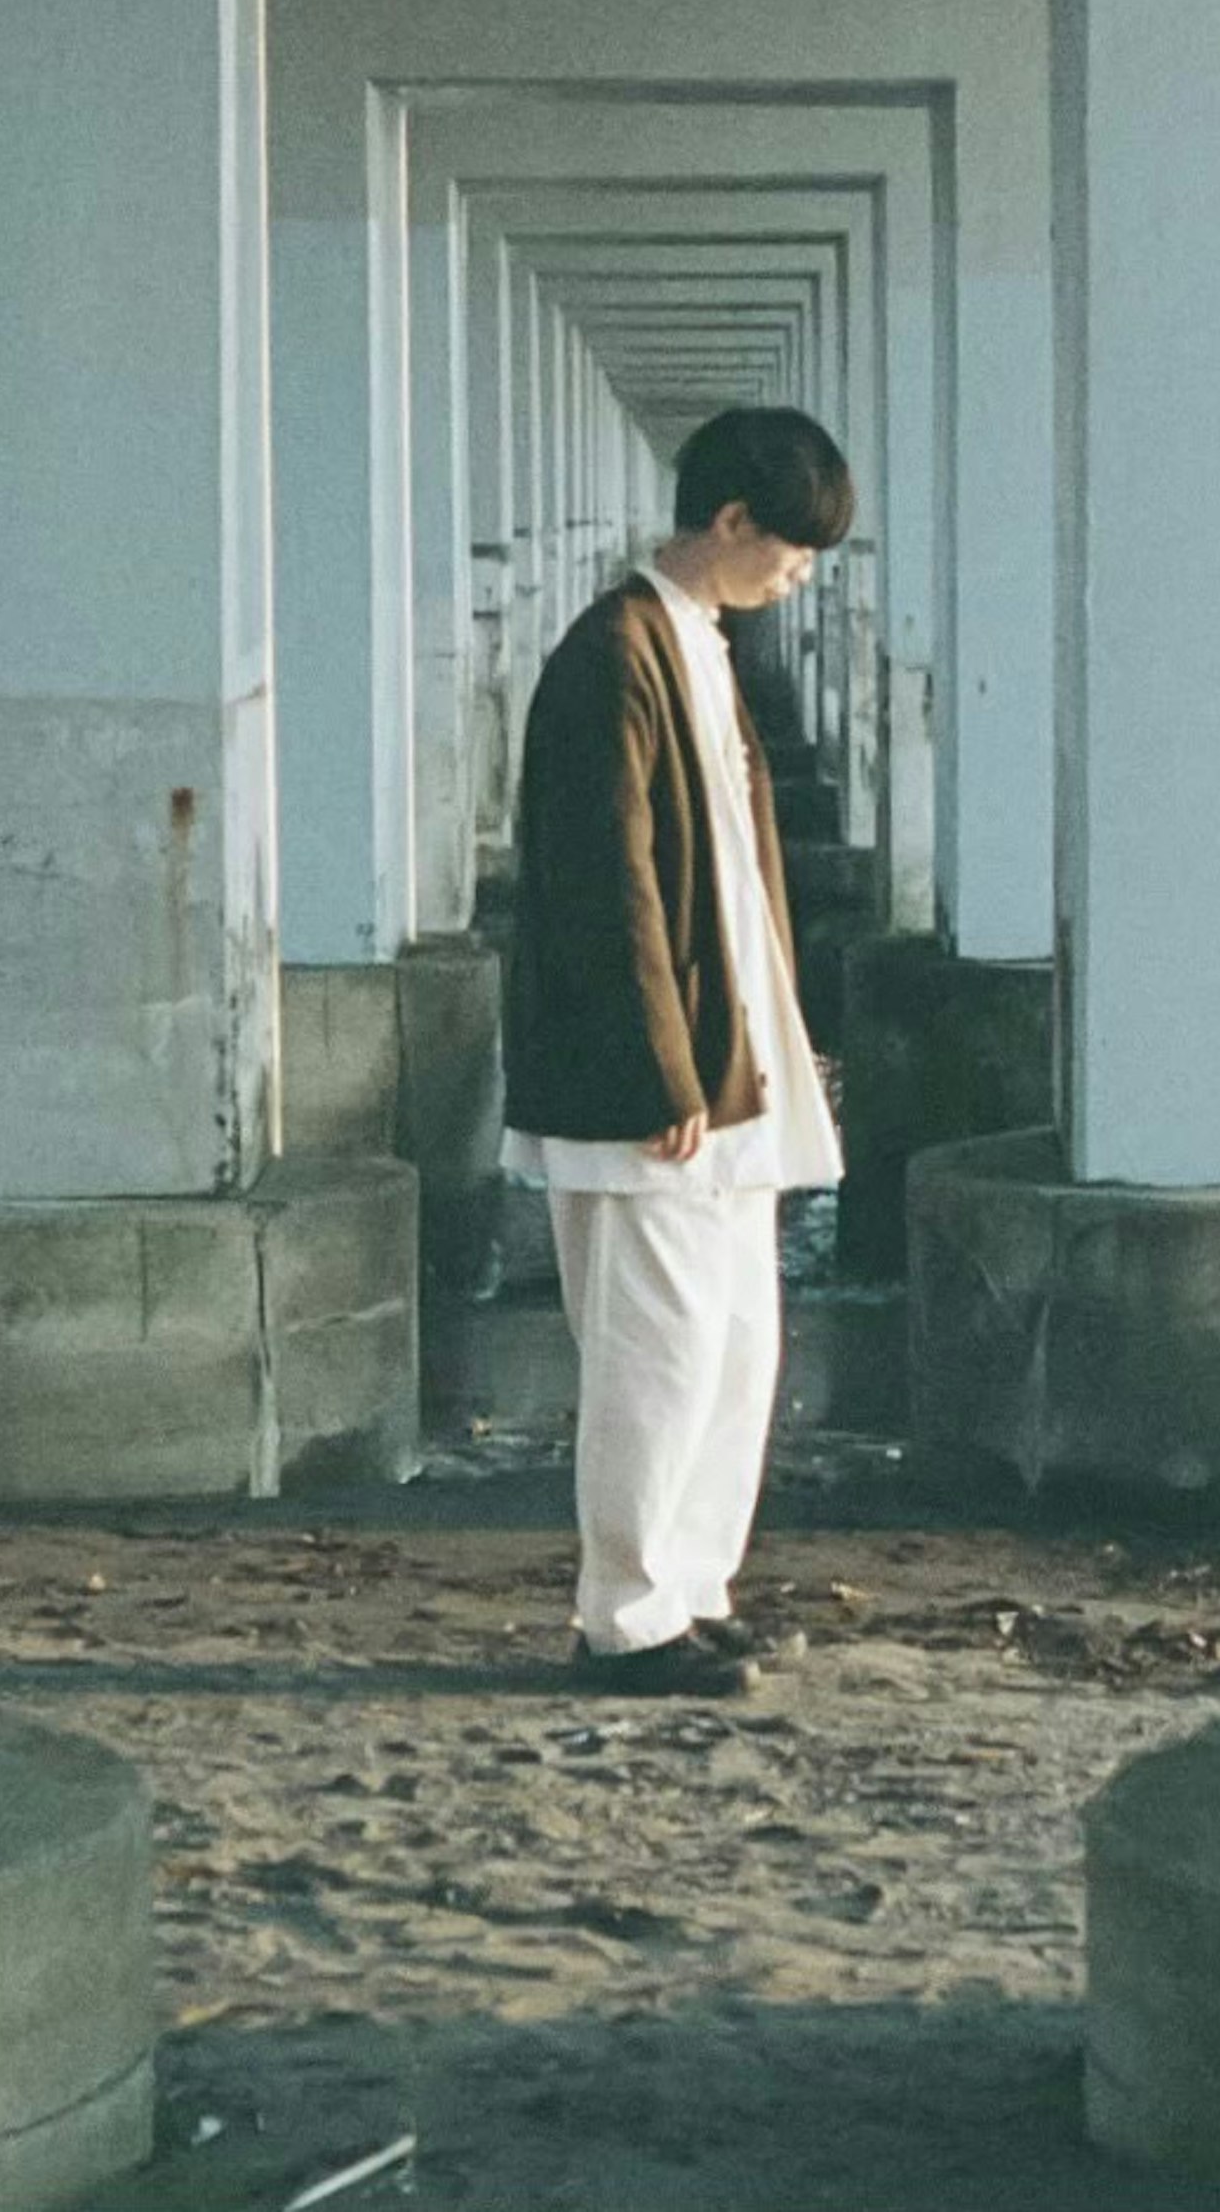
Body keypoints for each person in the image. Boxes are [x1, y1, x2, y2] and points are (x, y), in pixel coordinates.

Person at [502, 406, 853, 1697]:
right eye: (794, 547)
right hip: (658, 1080)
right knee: (658, 1343)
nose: (799, 573)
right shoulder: (614, 651)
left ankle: (693, 1587)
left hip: (728, 1066)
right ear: (731, 519)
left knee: (733, 1341)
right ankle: (628, 1616)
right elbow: (606, 885)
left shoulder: (690, 641)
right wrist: (661, 1070)